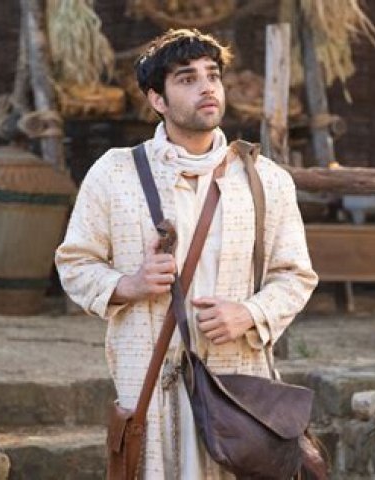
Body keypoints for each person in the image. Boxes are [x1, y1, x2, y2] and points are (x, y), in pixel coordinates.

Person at [55, 29, 318, 479]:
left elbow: (295, 274)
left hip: (237, 384)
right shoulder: (115, 173)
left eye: (212, 75)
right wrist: (130, 284)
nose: (207, 87)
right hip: (148, 378)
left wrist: (249, 313)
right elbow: (74, 263)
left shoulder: (267, 180)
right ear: (157, 99)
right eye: (187, 78)